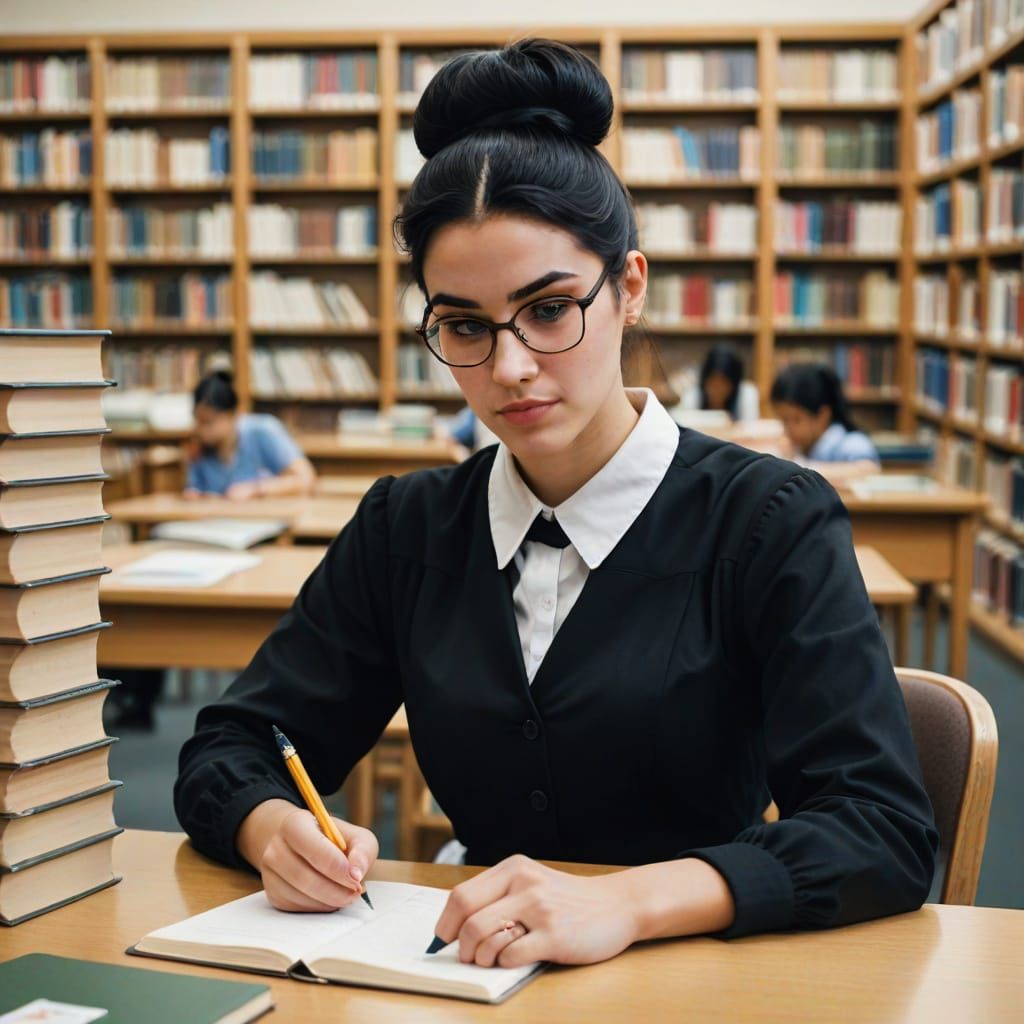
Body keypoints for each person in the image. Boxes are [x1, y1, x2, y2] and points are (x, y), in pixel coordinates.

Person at [175, 39, 936, 969]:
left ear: (628, 287)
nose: (510, 369)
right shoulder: (405, 529)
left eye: (548, 309)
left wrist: (628, 901)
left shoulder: (770, 521)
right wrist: (267, 831)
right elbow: (236, 743)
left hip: (697, 975)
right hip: (461, 967)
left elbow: (880, 828)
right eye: (463, 326)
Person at [184, 370, 316, 499]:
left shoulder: (262, 431)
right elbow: (194, 490)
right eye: (198, 421)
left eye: (209, 422)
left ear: (232, 415)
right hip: (217, 519)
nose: (201, 430)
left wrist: (255, 490)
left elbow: (306, 479)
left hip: (263, 516)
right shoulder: (198, 449)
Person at [770, 363, 880, 483]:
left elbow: (869, 471)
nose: (788, 429)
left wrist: (796, 467)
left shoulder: (851, 443)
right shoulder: (802, 446)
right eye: (783, 420)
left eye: (796, 419)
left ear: (823, 415)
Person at [675, 344, 759, 422]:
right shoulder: (692, 396)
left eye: (724, 384)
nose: (717, 391)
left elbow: (751, 430)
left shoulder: (746, 395)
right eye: (713, 384)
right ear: (704, 381)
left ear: (734, 385)